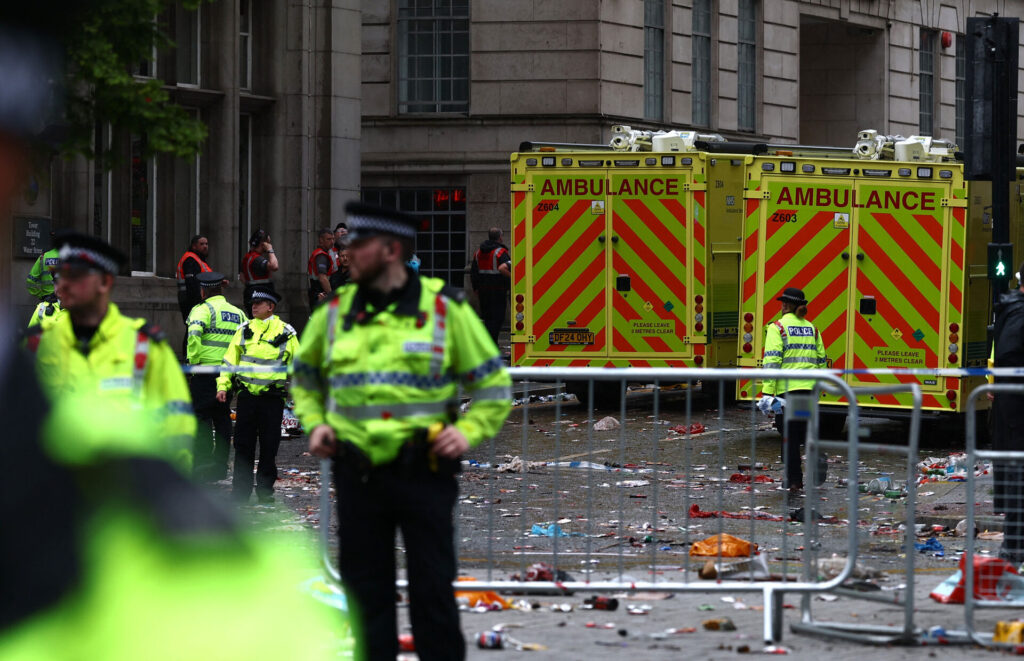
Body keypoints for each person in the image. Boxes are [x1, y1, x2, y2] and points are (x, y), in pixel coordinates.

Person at [291, 201, 512, 661]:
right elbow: (306, 377)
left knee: (432, 596)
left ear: (390, 250)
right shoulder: (335, 312)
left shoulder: (444, 309)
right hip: (358, 476)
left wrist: (469, 430)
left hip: (424, 474)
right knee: (367, 601)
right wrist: (314, 423)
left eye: (358, 244)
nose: (347, 252)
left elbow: (492, 384)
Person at [31, 232, 195, 471]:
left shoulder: (145, 346)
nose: (62, 284)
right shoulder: (38, 342)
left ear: (105, 282)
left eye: (74, 276)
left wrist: (169, 492)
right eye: (58, 277)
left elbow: (176, 429)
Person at [216, 283, 297, 503]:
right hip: (247, 398)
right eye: (252, 303)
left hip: (272, 399)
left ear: (270, 306)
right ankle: (240, 493)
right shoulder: (243, 329)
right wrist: (223, 386)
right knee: (243, 446)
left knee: (269, 447)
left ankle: (265, 492)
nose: (254, 307)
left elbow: (301, 365)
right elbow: (229, 360)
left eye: (258, 303)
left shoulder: (286, 333)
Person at [760, 287, 828, 492]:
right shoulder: (813, 329)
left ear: (786, 305)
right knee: (802, 432)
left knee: (788, 435)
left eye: (783, 303)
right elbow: (821, 361)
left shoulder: (777, 328)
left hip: (786, 392)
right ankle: (817, 457)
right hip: (808, 390)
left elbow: (772, 361)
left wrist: (766, 393)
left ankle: (794, 480)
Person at [186, 271, 245, 482]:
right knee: (222, 419)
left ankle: (202, 465)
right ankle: (220, 467)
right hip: (228, 375)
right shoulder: (238, 313)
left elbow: (194, 335)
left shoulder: (202, 309)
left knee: (201, 419)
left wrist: (193, 364)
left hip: (205, 373)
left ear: (203, 291)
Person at [991, 264, 1024, 564]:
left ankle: (1014, 547)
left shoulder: (1012, 309)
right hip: (1016, 413)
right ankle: (1014, 547)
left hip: (1012, 409)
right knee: (1019, 481)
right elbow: (1009, 356)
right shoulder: (1019, 314)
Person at [470, 227, 511, 346]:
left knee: (487, 320)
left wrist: (476, 288)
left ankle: (488, 345)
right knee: (497, 319)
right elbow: (507, 270)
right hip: (498, 291)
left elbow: (474, 272)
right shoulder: (500, 253)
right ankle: (492, 345)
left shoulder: (478, 252)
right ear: (500, 237)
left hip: (483, 292)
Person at [240, 228, 278, 319]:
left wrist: (250, 286)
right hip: (261, 294)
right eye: (268, 242)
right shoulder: (257, 259)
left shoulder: (247, 257)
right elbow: (274, 266)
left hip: (250, 292)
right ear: (263, 244)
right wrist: (270, 249)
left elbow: (241, 276)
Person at [175, 234, 213, 323]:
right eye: (202, 244)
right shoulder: (190, 259)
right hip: (190, 298)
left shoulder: (199, 259)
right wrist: (199, 301)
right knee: (193, 324)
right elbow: (192, 283)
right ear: (194, 246)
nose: (205, 246)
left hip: (194, 298)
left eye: (206, 244)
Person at [25, 230, 59, 302]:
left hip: (47, 301)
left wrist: (41, 295)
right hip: (65, 304)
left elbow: (30, 281)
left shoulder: (43, 257)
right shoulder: (71, 257)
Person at [307, 228, 337, 309]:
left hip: (318, 294)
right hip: (320, 295)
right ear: (321, 240)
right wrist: (331, 296)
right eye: (329, 239)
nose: (332, 242)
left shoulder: (322, 254)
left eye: (333, 239)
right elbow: (322, 278)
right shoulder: (321, 256)